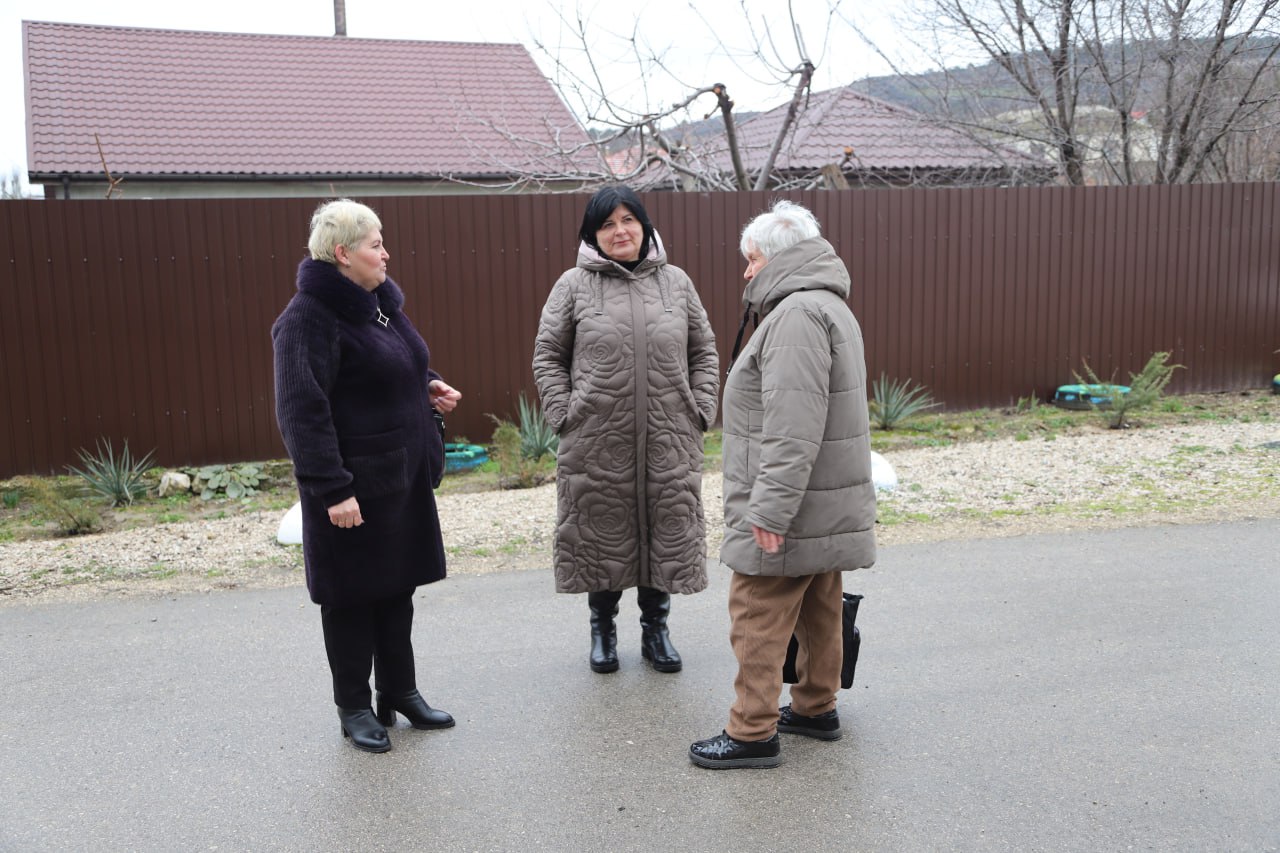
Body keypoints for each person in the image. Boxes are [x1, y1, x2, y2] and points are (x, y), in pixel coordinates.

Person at [689, 200, 876, 770]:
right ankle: (816, 707)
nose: (747, 273)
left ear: (779, 258)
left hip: (789, 501)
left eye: (752, 260)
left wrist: (768, 511)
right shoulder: (827, 305)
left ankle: (750, 732)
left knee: (757, 609)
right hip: (821, 498)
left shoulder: (795, 316)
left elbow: (792, 426)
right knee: (820, 602)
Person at [272, 198, 461, 754]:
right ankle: (354, 705)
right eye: (376, 244)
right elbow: (300, 411)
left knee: (396, 590)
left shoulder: (377, 305)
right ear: (342, 253)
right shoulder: (306, 319)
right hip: (350, 489)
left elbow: (394, 361)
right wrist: (332, 489)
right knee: (352, 599)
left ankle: (399, 691)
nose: (386, 253)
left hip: (399, 478)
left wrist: (425, 384)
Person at [532, 185, 720, 674]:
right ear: (593, 235)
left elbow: (704, 350)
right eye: (607, 224)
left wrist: (700, 408)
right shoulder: (572, 285)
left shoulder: (676, 283)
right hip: (595, 439)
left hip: (669, 435)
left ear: (645, 225)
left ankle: (656, 630)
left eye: (628, 220)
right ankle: (603, 630)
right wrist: (565, 414)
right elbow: (548, 356)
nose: (620, 231)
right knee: (599, 530)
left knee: (663, 525)